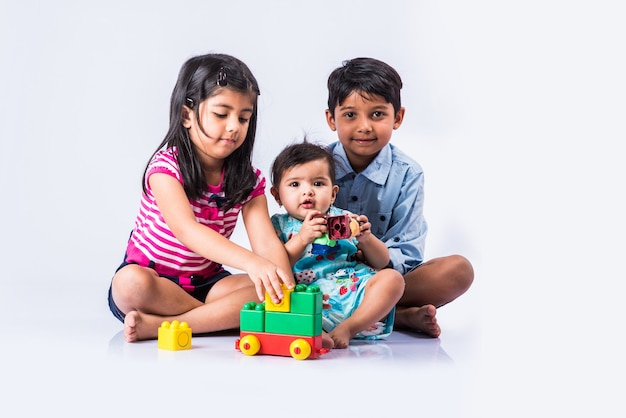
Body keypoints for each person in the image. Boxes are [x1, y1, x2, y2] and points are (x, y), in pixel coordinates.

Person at [108, 53, 295, 343]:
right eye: (222, 114)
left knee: (272, 288)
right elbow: (187, 231)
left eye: (243, 118)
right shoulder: (166, 167)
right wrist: (253, 263)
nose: (234, 126)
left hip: (208, 283)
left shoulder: (249, 179)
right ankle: (217, 320)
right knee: (129, 284)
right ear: (186, 116)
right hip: (155, 280)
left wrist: (287, 293)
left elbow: (267, 242)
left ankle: (164, 326)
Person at [324, 57, 474, 338]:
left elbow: (407, 250)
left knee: (458, 270)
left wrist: (370, 251)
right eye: (350, 115)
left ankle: (376, 309)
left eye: (377, 114)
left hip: (386, 279)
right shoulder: (314, 166)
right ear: (331, 119)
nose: (365, 126)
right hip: (327, 281)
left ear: (398, 117)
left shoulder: (408, 174)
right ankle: (398, 317)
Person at [269, 142, 405, 349]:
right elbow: (277, 267)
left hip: (354, 289)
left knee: (392, 279)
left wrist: (366, 239)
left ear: (333, 194)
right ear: (277, 195)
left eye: (317, 184)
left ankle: (350, 327)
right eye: (295, 185)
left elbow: (381, 261)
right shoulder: (278, 226)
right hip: (311, 298)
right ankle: (317, 332)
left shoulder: (344, 218)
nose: (308, 192)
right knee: (281, 307)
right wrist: (302, 238)